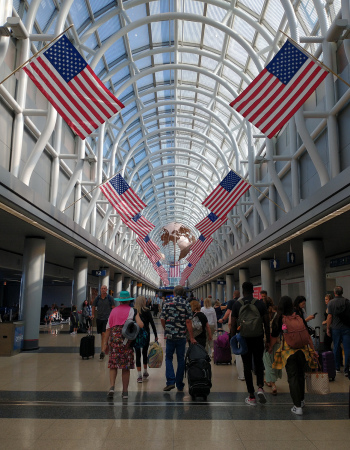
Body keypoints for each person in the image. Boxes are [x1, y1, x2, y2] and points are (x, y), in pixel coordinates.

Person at [272, 296, 317, 415]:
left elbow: (274, 335)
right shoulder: (297, 316)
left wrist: (270, 347)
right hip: (303, 351)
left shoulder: (280, 318)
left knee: (293, 377)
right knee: (301, 375)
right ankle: (301, 401)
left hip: (289, 352)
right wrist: (313, 350)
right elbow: (307, 334)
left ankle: (297, 407)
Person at [230, 281, 270, 406]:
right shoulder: (260, 304)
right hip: (258, 337)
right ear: (253, 291)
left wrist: (233, 340)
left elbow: (233, 324)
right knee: (258, 362)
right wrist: (267, 339)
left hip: (244, 339)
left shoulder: (237, 305)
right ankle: (260, 388)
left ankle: (251, 396)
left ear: (243, 291)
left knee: (247, 365)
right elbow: (267, 323)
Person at [102, 291, 143, 399]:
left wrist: (105, 345)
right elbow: (141, 325)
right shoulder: (133, 311)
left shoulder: (113, 311)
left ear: (120, 301)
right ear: (129, 300)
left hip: (114, 342)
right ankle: (125, 392)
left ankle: (112, 387)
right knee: (125, 368)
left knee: (113, 365)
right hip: (126, 343)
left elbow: (108, 328)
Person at [160, 285, 196, 392]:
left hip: (170, 336)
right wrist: (192, 337)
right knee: (181, 359)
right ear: (183, 293)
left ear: (174, 292)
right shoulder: (186, 304)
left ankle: (170, 382)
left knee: (168, 358)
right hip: (181, 336)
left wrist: (166, 328)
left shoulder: (167, 303)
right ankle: (179, 384)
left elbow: (162, 318)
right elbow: (188, 321)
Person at [327, 286, 350, 377]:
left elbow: (329, 317)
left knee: (336, 347)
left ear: (334, 292)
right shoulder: (347, 302)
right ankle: (346, 369)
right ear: (342, 292)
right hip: (347, 328)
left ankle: (337, 368)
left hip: (336, 328)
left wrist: (328, 328)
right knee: (347, 348)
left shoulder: (331, 303)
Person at [134, 295, 158, 383]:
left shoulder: (134, 311)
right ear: (143, 302)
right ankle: (145, 371)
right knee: (144, 352)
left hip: (136, 334)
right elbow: (152, 323)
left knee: (137, 354)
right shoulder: (147, 310)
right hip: (146, 334)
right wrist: (155, 335)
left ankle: (139, 375)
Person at [262, 297, 281, 395]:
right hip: (276, 342)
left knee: (268, 363)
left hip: (266, 341)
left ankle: (273, 384)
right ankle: (269, 380)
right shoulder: (277, 314)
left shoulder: (263, 314)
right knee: (274, 363)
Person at [92, 285, 115, 360]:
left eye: (104, 288)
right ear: (100, 290)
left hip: (107, 319)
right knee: (102, 335)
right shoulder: (97, 298)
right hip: (99, 318)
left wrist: (113, 317)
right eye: (102, 288)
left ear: (107, 289)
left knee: (104, 334)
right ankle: (106, 346)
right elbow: (93, 306)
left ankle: (102, 351)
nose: (103, 290)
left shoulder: (109, 298)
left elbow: (113, 308)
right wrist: (92, 314)